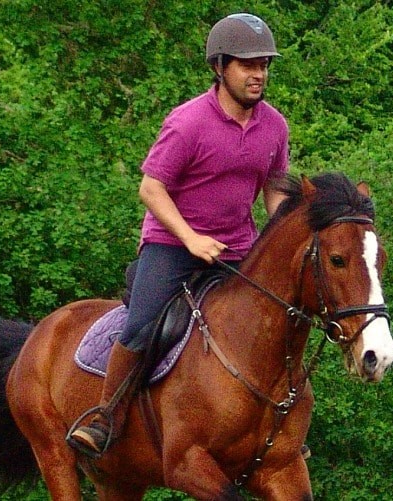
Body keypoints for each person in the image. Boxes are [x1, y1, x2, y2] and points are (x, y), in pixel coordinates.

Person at [66, 12, 292, 459]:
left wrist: (283, 241)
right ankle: (106, 415)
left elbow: (274, 191)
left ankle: (278, 426)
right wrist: (190, 239)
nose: (258, 74)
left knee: (278, 322)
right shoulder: (189, 122)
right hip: (172, 246)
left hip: (238, 247)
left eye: (264, 65)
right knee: (142, 325)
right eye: (248, 65)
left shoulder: (275, 126)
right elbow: (150, 188)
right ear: (219, 67)